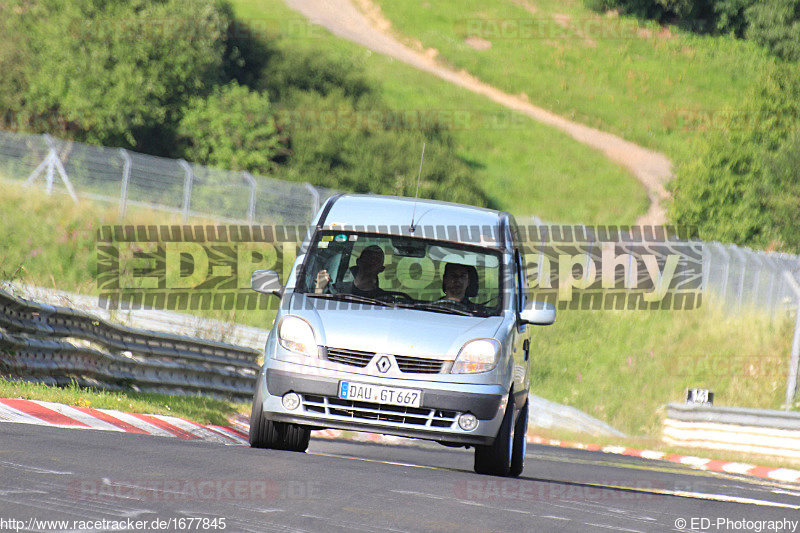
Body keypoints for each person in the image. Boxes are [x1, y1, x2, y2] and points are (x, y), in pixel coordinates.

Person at [315, 245, 388, 297]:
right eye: (368, 258)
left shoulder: (384, 299)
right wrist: (319, 289)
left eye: (376, 261)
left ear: (381, 269)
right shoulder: (336, 290)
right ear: (358, 262)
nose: (371, 262)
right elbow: (318, 307)